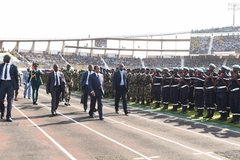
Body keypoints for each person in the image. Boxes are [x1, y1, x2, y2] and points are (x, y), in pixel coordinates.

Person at [0, 54, 19, 122]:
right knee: (0, 100)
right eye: (4, 58)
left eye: (6, 58)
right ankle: (2, 111)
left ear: (9, 59)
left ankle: (8, 116)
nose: (4, 59)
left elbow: (16, 78)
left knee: (10, 101)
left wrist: (17, 88)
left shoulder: (13, 67)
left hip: (10, 84)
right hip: (2, 83)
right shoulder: (1, 66)